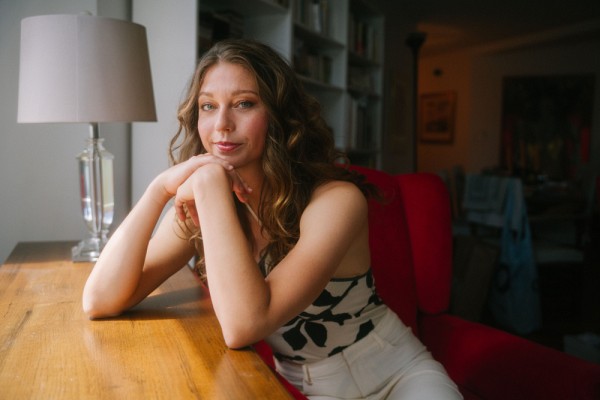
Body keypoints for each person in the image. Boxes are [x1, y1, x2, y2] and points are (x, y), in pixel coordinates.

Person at [82, 39, 462, 400]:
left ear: (278, 116)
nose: (222, 124)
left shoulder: (336, 201)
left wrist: (209, 180)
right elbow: (99, 300)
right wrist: (158, 191)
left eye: (244, 104)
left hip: (398, 373)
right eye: (208, 106)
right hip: (314, 390)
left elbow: (245, 324)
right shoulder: (206, 210)